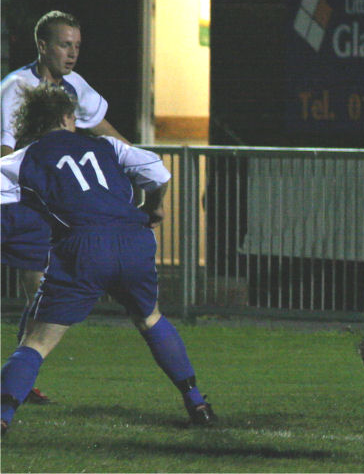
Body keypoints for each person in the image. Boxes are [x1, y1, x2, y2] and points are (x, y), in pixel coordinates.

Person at [0, 84, 215, 435]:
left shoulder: (24, 158)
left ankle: (3, 416)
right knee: (150, 318)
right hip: (133, 238)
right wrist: (154, 205)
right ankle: (197, 403)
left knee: (36, 342)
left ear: (31, 123)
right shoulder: (106, 145)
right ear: (69, 117)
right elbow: (158, 170)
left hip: (82, 245)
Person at [1, 11, 131, 404]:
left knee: (43, 290)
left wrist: (137, 161)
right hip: (11, 204)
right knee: (44, 290)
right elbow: (5, 148)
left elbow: (104, 129)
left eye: (76, 45)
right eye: (64, 44)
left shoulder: (73, 86)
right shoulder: (17, 86)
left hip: (31, 210)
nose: (72, 53)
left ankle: (18, 378)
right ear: (42, 46)